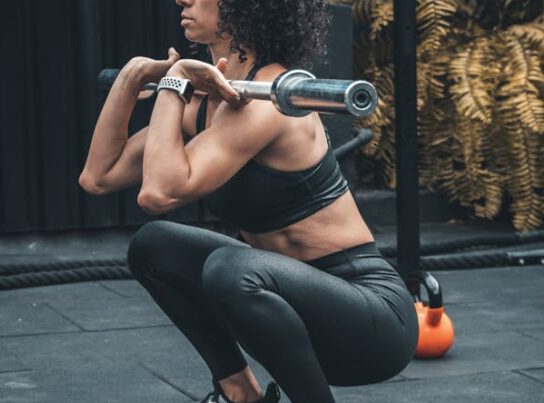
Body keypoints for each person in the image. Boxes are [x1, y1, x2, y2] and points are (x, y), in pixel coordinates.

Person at [79, 0, 418, 402]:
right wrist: (132, 78)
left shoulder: (270, 100)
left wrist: (173, 81)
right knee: (155, 246)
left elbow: (159, 192)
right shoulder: (202, 100)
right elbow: (99, 176)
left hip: (369, 318)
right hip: (283, 308)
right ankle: (240, 395)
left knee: (232, 269)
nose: (182, 0)